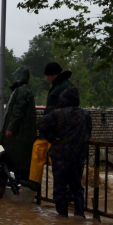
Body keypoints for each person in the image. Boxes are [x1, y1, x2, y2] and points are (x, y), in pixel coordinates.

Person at [37, 86, 92, 217]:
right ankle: (79, 216)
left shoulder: (58, 113)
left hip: (60, 155)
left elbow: (40, 123)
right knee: (77, 187)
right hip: (78, 155)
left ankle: (62, 217)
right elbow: (88, 132)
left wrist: (51, 137)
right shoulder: (85, 114)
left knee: (60, 188)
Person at [1, 67, 38, 191]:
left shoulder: (21, 91)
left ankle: (18, 185)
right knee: (17, 160)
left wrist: (11, 127)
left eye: (15, 77)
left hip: (19, 135)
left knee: (17, 161)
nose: (14, 79)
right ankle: (18, 183)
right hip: (21, 135)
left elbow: (18, 111)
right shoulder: (23, 90)